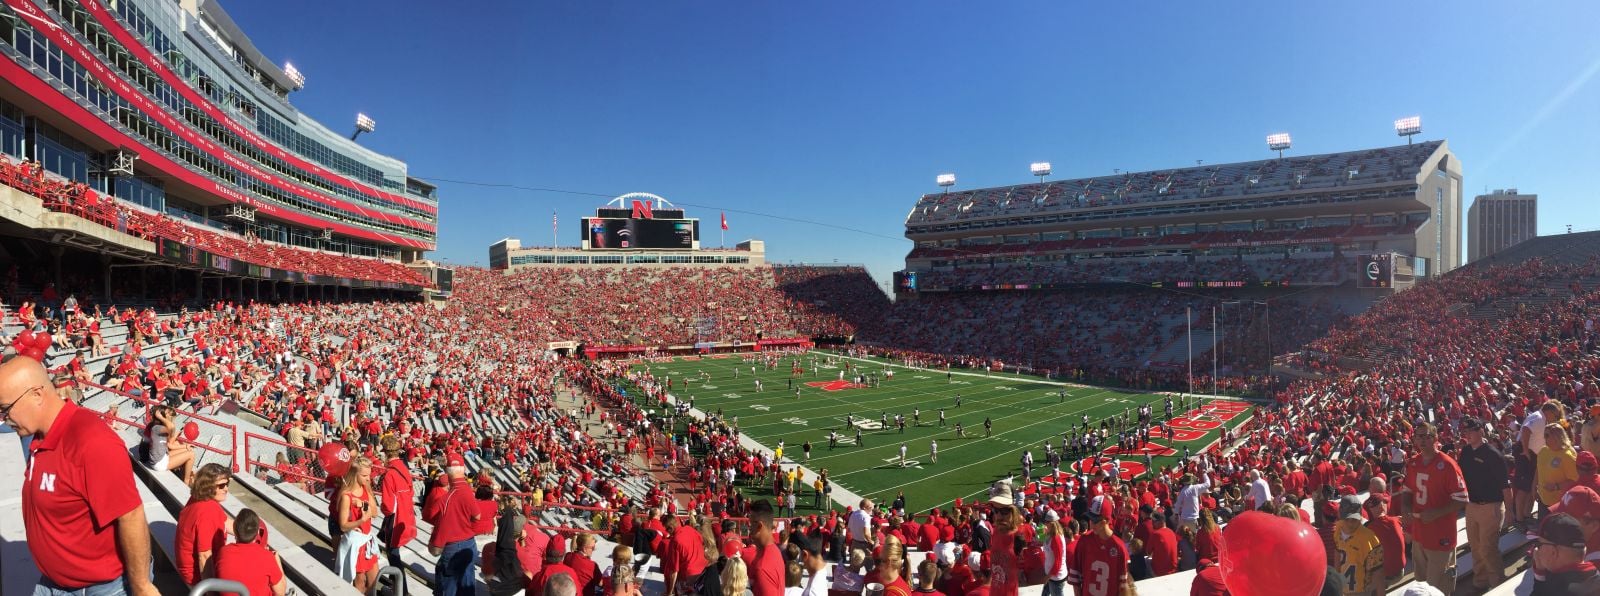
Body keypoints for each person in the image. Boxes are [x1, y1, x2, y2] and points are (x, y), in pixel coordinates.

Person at [4, 356, 160, 596]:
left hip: (102, 588)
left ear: (36, 394)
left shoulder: (90, 441)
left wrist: (140, 585)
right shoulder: (39, 435)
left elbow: (130, 515)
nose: (4, 419)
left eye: (5, 409)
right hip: (54, 583)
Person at [1402, 423, 1467, 594]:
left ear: (1436, 438)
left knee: (1438, 587)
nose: (1422, 440)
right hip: (1419, 534)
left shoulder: (1447, 465)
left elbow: (1462, 499)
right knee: (1421, 585)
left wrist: (1436, 513)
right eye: (1419, 436)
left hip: (1441, 534)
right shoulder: (1413, 463)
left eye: (1427, 436)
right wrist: (1406, 507)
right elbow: (1407, 491)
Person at [1457, 417, 1508, 589]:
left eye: (1471, 431)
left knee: (1488, 549)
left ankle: (1498, 585)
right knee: (1476, 547)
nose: (1468, 434)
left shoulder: (1493, 454)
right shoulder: (1465, 452)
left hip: (1490, 506)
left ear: (1481, 431)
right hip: (1471, 506)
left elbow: (1505, 486)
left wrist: (1510, 511)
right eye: (1466, 431)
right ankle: (1480, 582)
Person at [429, 452, 483, 596]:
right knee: (467, 588)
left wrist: (433, 547)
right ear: (463, 468)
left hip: (452, 547)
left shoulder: (445, 499)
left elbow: (438, 534)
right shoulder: (467, 490)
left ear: (447, 472)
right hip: (469, 544)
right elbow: (477, 516)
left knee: (449, 590)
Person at [175, 463, 233, 585]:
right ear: (208, 486)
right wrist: (211, 592)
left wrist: (253, 531)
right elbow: (205, 557)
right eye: (221, 485)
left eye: (227, 484)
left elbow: (226, 523)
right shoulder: (207, 511)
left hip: (190, 566)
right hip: (197, 575)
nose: (226, 489)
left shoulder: (201, 499)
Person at [214, 509, 287, 596]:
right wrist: (277, 561)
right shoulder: (267, 557)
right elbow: (281, 592)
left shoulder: (223, 552)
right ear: (257, 533)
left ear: (235, 530)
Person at [1069, 496, 1132, 596]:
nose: (1091, 524)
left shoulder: (1119, 546)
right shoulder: (1084, 541)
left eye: (1095, 521)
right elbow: (1075, 577)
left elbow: (1122, 586)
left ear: (1106, 520)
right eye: (1090, 519)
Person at [336, 457, 382, 591]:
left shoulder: (366, 488)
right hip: (356, 544)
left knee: (373, 582)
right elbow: (343, 525)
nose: (368, 478)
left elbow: (374, 512)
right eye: (365, 475)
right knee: (359, 584)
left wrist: (363, 504)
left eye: (369, 474)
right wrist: (361, 520)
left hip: (367, 541)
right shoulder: (346, 496)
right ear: (354, 474)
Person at [1529, 513, 1600, 594]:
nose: (1536, 549)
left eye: (1539, 544)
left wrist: (1539, 577)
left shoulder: (1557, 590)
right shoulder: (1595, 576)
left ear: (1553, 552)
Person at [377, 436, 417, 568]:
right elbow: (411, 492)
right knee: (395, 552)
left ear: (386, 453)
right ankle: (398, 585)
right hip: (406, 514)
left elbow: (388, 506)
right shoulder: (403, 468)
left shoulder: (389, 474)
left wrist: (383, 509)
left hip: (395, 517)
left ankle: (400, 587)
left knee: (392, 554)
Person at [1332, 495, 1384, 596]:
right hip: (1343, 588)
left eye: (1354, 519)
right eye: (1348, 519)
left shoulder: (1369, 538)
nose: (1351, 523)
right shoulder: (1338, 530)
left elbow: (1378, 572)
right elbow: (1337, 555)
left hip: (1362, 590)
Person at [141, 405, 195, 484]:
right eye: (167, 414)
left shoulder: (159, 427)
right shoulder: (156, 428)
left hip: (160, 457)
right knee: (191, 454)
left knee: (187, 449)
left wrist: (186, 446)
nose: (170, 416)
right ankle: (186, 482)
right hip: (159, 463)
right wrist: (161, 417)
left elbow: (169, 444)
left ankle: (185, 474)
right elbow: (172, 428)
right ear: (161, 416)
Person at [1537, 425, 1579, 513]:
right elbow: (1538, 469)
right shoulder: (1543, 451)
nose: (1544, 438)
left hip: (1559, 504)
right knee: (1542, 525)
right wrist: (1533, 486)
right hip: (1542, 499)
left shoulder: (1567, 455)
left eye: (1547, 435)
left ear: (1557, 436)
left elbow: (1575, 480)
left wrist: (1556, 486)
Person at [748, 500, 786, 596]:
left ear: (759, 526)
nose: (749, 526)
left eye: (751, 522)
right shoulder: (774, 550)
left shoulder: (763, 567)